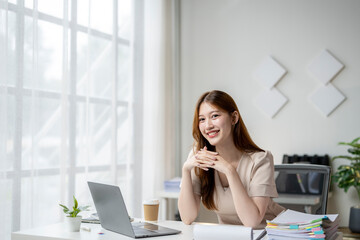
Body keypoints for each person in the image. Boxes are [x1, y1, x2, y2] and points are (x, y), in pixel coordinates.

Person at [178, 90, 285, 228]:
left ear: (234, 118)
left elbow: (251, 222)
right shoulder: (199, 156)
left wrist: (229, 171)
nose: (208, 125)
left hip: (271, 233)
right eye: (202, 119)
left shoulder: (261, 159)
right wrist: (186, 170)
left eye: (215, 116)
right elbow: (187, 217)